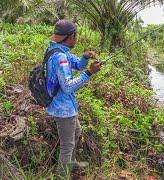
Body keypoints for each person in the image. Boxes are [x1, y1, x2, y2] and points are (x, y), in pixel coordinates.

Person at [46, 19, 102, 178]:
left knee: (77, 133)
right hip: (63, 109)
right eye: (76, 36)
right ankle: (62, 176)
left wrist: (84, 57)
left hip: (66, 105)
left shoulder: (57, 49)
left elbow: (77, 64)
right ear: (71, 36)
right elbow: (68, 87)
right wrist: (89, 73)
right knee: (67, 145)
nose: (76, 39)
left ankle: (72, 164)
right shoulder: (60, 58)